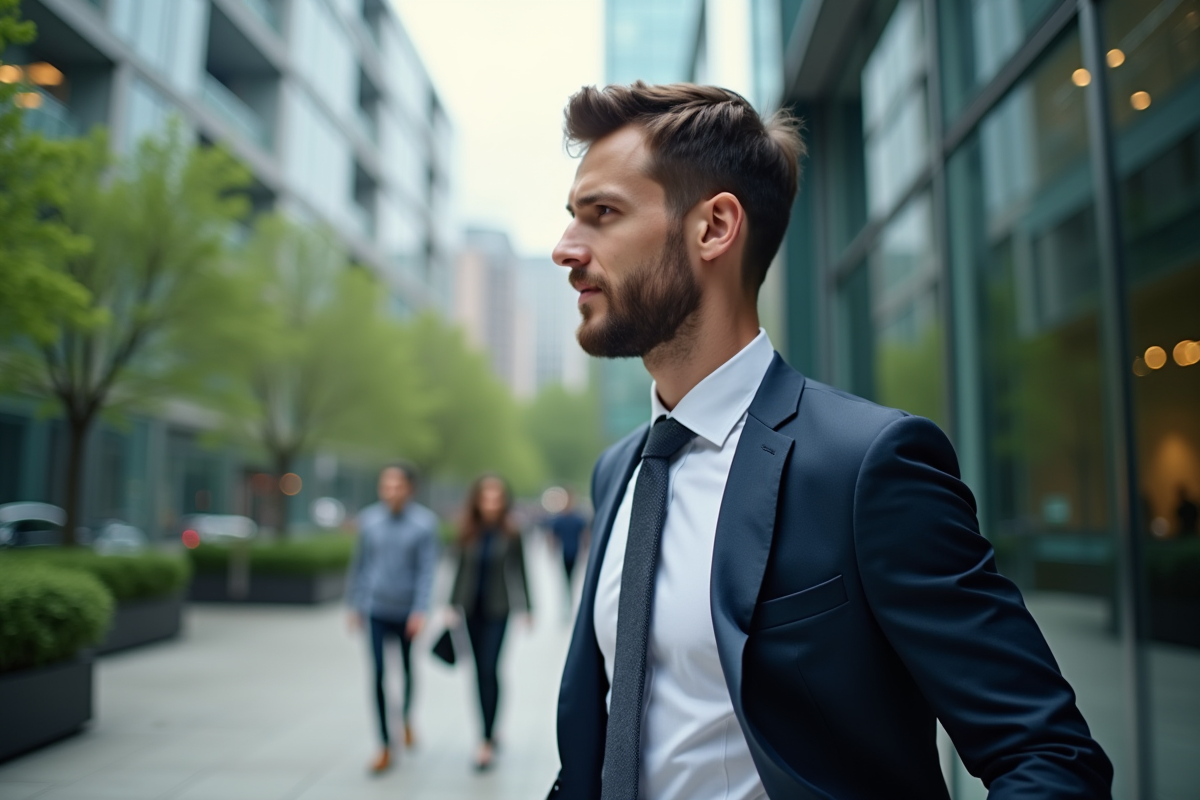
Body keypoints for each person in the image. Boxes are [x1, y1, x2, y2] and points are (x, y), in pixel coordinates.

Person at [547, 82, 1112, 800]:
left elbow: (1049, 757)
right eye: (573, 217)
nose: (566, 249)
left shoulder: (868, 466)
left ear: (715, 227)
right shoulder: (619, 471)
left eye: (602, 215)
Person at [345, 463, 438, 775]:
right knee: (379, 675)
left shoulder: (424, 524)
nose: (391, 491)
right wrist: (353, 605)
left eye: (398, 486)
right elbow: (359, 565)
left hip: (407, 612)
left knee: (409, 670)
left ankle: (408, 717)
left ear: (409, 489)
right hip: (375, 609)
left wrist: (421, 610)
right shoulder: (369, 521)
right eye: (386, 485)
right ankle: (384, 743)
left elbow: (427, 571)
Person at [447, 474, 532, 772]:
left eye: (497, 498)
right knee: (477, 672)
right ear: (477, 500)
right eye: (486, 498)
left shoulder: (511, 532)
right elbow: (458, 568)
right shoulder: (467, 530)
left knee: (489, 669)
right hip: (471, 609)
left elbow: (521, 571)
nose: (491, 504)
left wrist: (528, 607)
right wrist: (450, 604)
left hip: (499, 609)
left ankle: (486, 738)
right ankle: (486, 730)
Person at [547, 488, 589, 604]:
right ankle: (567, 598)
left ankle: (568, 597)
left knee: (572, 575)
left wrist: (585, 549)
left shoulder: (577, 518)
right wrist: (552, 550)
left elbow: (584, 535)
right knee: (567, 576)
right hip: (565, 552)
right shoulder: (560, 519)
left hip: (574, 551)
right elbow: (553, 536)